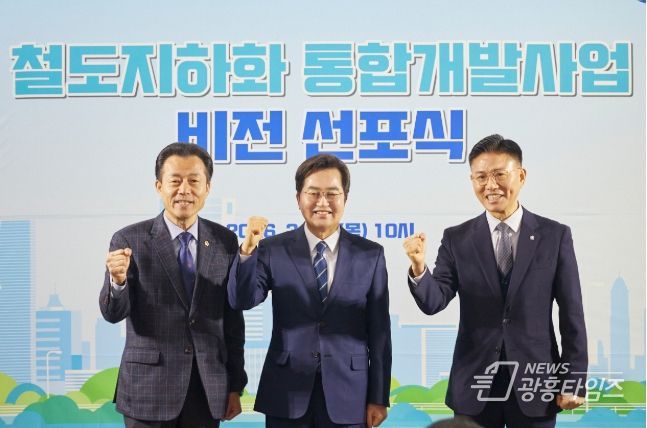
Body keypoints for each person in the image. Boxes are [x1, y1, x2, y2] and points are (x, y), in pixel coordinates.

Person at [403, 135, 587, 428]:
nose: (490, 185)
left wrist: (574, 379)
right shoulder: (457, 238)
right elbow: (434, 301)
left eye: (499, 174)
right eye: (481, 177)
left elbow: (572, 312)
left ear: (521, 176)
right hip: (474, 384)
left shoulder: (554, 236)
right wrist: (418, 266)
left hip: (535, 384)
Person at [227, 154, 392, 427]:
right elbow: (242, 300)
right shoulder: (272, 249)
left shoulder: (370, 255)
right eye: (313, 193)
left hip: (350, 393)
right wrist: (247, 251)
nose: (322, 202)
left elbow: (380, 333)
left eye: (332, 194)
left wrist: (378, 396)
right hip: (286, 390)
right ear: (298, 198)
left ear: (345, 198)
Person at [99, 142, 247, 427]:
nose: (184, 190)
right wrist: (117, 282)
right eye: (175, 181)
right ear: (159, 186)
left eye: (194, 181)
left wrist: (235, 385)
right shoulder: (129, 240)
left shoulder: (225, 241)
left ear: (207, 188)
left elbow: (232, 321)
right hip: (148, 389)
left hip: (206, 388)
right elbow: (112, 313)